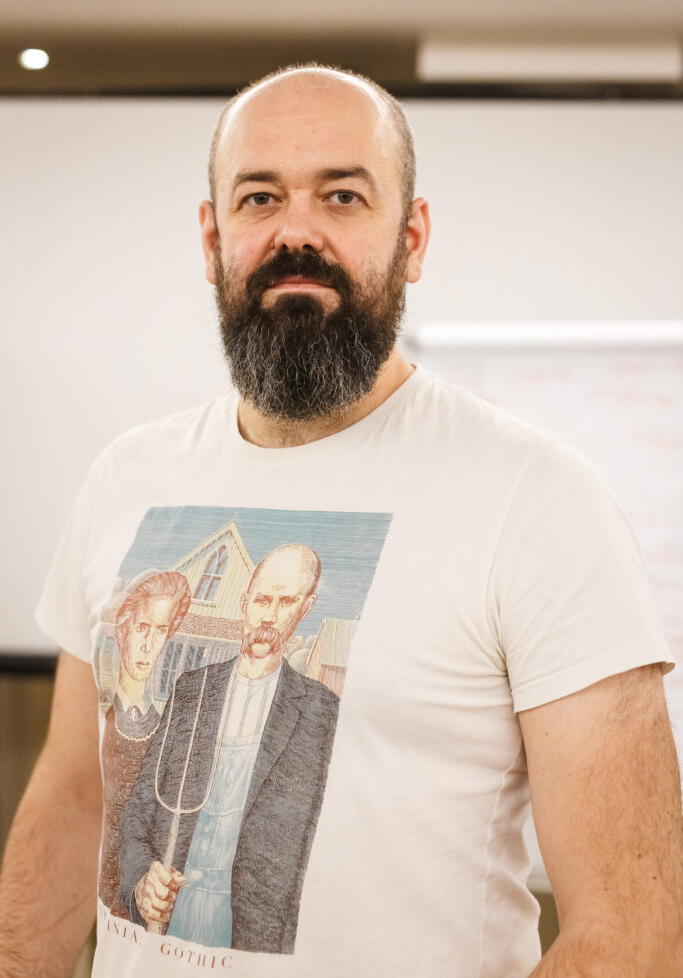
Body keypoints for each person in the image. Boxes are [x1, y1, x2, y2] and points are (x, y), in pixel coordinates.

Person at [0, 63, 681, 978]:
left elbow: (630, 933)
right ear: (211, 237)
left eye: (343, 196)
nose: (296, 233)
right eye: (259, 197)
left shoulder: (539, 499)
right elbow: (72, 804)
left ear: (412, 237)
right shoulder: (124, 477)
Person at [117, 544, 339, 953]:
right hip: (174, 922)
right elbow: (140, 809)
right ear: (244, 601)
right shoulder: (192, 690)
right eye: (262, 600)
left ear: (306, 607)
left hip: (255, 940)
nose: (269, 616)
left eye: (286, 602)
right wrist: (141, 880)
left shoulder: (321, 713)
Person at [99, 570, 192, 913]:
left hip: (142, 902)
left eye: (161, 631)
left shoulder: (170, 732)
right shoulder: (100, 717)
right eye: (142, 627)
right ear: (123, 629)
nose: (149, 645)